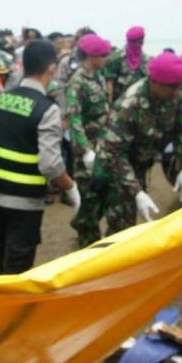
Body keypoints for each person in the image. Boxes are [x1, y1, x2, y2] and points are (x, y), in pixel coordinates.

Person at [0, 40, 80, 273]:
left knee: (3, 257)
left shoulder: (2, 99)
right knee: (18, 267)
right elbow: (50, 164)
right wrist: (70, 187)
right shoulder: (46, 109)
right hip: (24, 203)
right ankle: (11, 310)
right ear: (51, 69)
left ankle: (1, 305)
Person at [94, 52, 182, 235]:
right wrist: (136, 191)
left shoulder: (173, 96)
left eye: (179, 87)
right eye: (172, 87)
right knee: (120, 225)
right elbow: (114, 153)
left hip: (139, 163)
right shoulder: (129, 105)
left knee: (130, 221)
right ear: (155, 81)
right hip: (115, 168)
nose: (176, 92)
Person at [65, 34, 112, 247]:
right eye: (102, 54)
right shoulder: (78, 81)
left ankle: (83, 223)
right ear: (91, 56)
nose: (106, 57)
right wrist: (85, 150)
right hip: (87, 151)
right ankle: (87, 242)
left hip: (102, 146)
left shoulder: (99, 77)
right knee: (89, 197)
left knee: (101, 194)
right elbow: (74, 119)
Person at [103, 26, 149, 102]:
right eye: (134, 42)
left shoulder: (147, 60)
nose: (137, 44)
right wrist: (109, 104)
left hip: (140, 104)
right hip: (119, 104)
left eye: (140, 42)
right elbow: (109, 83)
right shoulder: (116, 58)